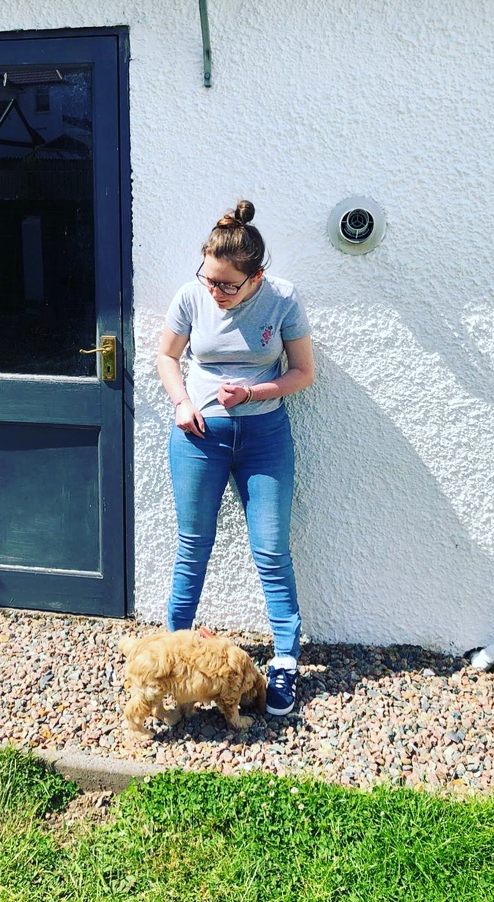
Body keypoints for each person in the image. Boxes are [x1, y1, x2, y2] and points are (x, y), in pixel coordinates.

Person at [157, 200, 315, 716]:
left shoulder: (283, 299)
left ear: (256, 278)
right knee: (193, 545)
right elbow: (167, 355)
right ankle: (171, 655)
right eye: (209, 279)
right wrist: (182, 403)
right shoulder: (191, 296)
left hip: (264, 437)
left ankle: (285, 661)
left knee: (271, 549)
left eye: (227, 285)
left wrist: (252, 393)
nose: (215, 292)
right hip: (199, 437)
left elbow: (303, 373)